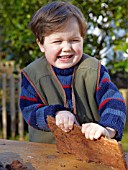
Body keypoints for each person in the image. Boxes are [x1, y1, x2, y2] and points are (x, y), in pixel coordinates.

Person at [20, 1, 126, 143]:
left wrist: (107, 129)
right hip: (45, 153)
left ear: (82, 39)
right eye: (58, 41)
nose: (67, 48)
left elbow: (113, 101)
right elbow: (29, 110)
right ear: (41, 44)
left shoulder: (94, 70)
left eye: (74, 40)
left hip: (92, 152)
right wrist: (55, 114)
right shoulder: (32, 74)